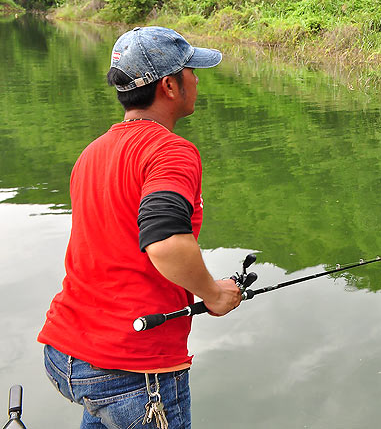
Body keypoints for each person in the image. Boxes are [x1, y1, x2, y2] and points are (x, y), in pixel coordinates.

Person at [38, 26, 243, 429]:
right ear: (169, 85)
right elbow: (165, 243)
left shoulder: (92, 153)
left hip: (67, 352)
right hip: (133, 368)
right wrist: (214, 293)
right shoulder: (170, 150)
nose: (197, 79)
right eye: (190, 71)